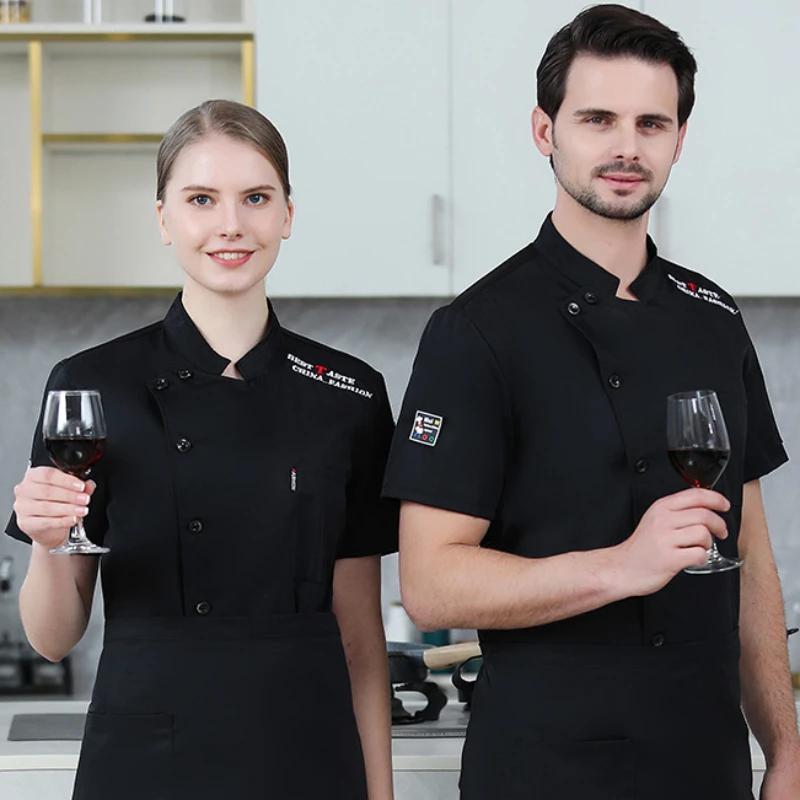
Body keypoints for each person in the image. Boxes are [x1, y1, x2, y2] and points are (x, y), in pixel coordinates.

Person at [381, 5, 800, 799]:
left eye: (652, 123)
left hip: (704, 762)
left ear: (680, 139)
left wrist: (784, 747)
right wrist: (622, 566)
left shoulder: (715, 318)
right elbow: (431, 583)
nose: (625, 147)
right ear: (546, 132)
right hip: (547, 765)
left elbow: (750, 554)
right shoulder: (475, 332)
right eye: (597, 118)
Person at [7, 99, 398, 800]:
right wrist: (44, 540)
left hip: (308, 756)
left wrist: (380, 795)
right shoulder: (91, 388)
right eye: (200, 199)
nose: (231, 225)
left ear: (287, 214)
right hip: (147, 759)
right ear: (164, 218)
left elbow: (361, 643)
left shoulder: (351, 394)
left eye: (255, 197)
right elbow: (53, 637)